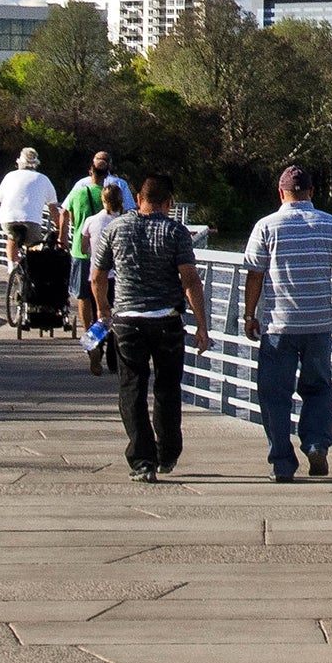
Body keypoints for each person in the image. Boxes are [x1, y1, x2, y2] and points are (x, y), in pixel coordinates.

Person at [243, 166, 332, 481]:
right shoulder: (330, 223)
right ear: (310, 192)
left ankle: (282, 464)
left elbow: (255, 275)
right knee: (319, 388)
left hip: (279, 327)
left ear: (281, 194)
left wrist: (249, 314)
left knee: (274, 395)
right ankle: (317, 444)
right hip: (319, 325)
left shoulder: (266, 226)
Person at [91, 175, 209, 483]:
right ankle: (167, 453)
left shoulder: (115, 228)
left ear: (139, 198)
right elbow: (190, 280)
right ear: (169, 202)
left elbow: (97, 276)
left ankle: (142, 461)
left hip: (127, 321)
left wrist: (104, 310)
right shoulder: (175, 231)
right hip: (166, 320)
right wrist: (202, 326)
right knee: (167, 389)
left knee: (132, 388)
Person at [60, 152, 132, 335]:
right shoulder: (118, 187)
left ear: (90, 170)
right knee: (111, 297)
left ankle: (90, 335)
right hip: (113, 256)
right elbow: (131, 213)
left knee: (84, 295)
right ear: (109, 170)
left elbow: (64, 212)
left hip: (82, 252)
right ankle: (109, 333)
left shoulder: (78, 189)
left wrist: (63, 237)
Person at [75, 182, 128, 375]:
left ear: (102, 200)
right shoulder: (125, 221)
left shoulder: (91, 221)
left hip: (96, 276)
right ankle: (115, 361)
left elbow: (82, 248)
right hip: (120, 278)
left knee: (101, 314)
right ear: (121, 201)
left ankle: (96, 345)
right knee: (119, 318)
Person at [0, 148, 60, 266]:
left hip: (8, 218)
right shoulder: (43, 179)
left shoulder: (9, 176)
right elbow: (53, 208)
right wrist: (58, 227)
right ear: (36, 164)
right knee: (34, 245)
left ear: (19, 163)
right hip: (32, 219)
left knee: (12, 237)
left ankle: (12, 266)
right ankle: (30, 268)